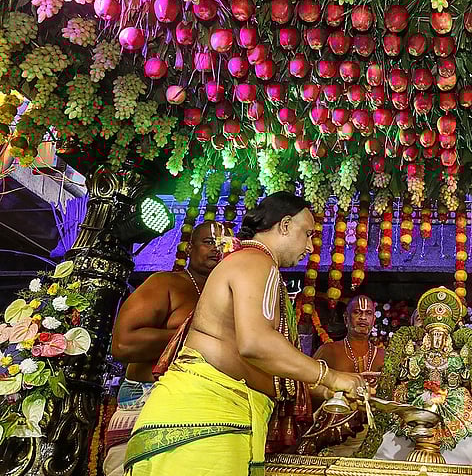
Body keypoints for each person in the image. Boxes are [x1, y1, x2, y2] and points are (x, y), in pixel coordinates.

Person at [124, 192, 366, 476]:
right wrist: (332, 376)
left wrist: (324, 389)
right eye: (307, 233)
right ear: (285, 225)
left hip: (211, 423)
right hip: (202, 422)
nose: (310, 246)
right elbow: (256, 343)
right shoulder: (256, 262)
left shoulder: (253, 263)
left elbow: (261, 359)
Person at [103, 221, 226, 476]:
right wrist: (195, 337)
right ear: (189, 248)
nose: (218, 249)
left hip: (202, 410)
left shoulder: (230, 297)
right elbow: (123, 343)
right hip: (146, 403)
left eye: (224, 244)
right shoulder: (165, 284)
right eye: (209, 242)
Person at [357, 287, 472, 466]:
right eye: (433, 334)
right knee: (393, 448)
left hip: (451, 404)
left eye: (441, 335)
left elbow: (463, 376)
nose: (437, 339)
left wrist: (459, 374)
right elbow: (404, 372)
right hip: (415, 398)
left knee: (463, 453)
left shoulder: (454, 358)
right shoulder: (415, 356)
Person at [311, 295, 385, 456]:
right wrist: (330, 393)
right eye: (357, 312)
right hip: (333, 437)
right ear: (346, 318)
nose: (363, 318)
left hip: (374, 438)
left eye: (368, 313)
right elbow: (306, 386)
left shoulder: (384, 356)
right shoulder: (329, 350)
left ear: (374, 320)